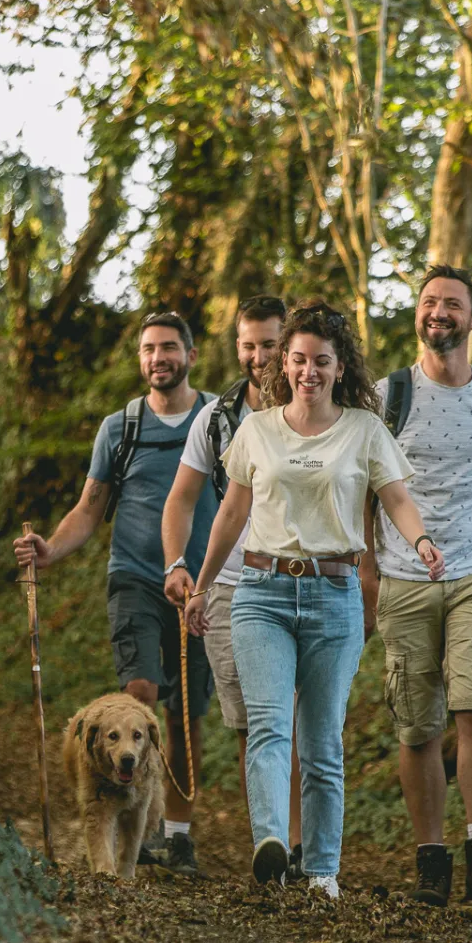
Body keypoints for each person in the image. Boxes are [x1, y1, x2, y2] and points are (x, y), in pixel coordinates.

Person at [186, 300, 445, 898]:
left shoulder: (364, 429)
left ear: (339, 367)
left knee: (323, 740)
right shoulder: (257, 430)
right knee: (270, 727)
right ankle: (271, 846)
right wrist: (200, 586)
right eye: (298, 360)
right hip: (261, 592)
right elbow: (230, 513)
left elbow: (397, 499)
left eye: (320, 362)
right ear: (285, 365)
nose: (308, 371)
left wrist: (421, 540)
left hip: (333, 595)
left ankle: (322, 870)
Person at [13, 311, 216, 877]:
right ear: (141, 359)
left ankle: (174, 833)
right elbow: (90, 507)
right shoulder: (121, 428)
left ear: (190, 355)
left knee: (187, 716)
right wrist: (51, 549)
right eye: (149, 349)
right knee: (141, 692)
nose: (159, 358)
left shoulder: (217, 421)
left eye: (170, 348)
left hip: (203, 583)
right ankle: (129, 812)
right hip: (133, 577)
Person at [364, 265, 472, 907]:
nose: (438, 312)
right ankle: (430, 856)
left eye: (452, 304)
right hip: (404, 581)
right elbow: (363, 488)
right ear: (417, 314)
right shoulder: (386, 396)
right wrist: (367, 569)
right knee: (416, 726)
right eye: (429, 301)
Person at [161, 296, 308, 878]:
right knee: (253, 723)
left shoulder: (317, 407)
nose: (257, 357)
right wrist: (179, 564)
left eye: (269, 344)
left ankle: (301, 848)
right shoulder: (217, 418)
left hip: (301, 578)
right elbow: (181, 499)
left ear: (289, 343)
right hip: (229, 586)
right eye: (248, 345)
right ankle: (270, 843)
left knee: (294, 717)